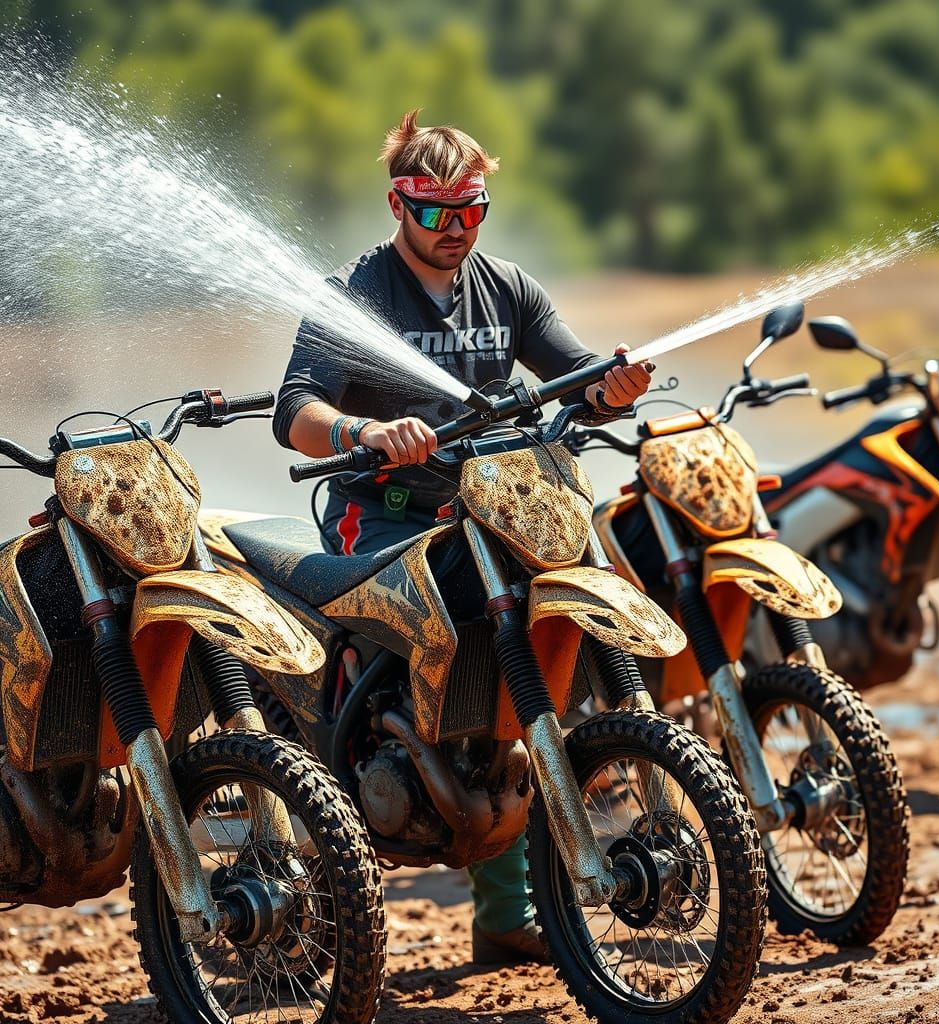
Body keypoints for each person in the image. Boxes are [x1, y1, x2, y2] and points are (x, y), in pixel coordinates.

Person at [273, 109, 652, 964]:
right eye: (438, 213)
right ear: (397, 205)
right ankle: (345, 809)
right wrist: (366, 435)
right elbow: (295, 410)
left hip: (496, 507)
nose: (457, 230)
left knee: (517, 671)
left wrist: (614, 387)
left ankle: (506, 917)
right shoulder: (356, 295)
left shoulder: (509, 287)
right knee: (437, 658)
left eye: (473, 210)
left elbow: (577, 376)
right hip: (387, 508)